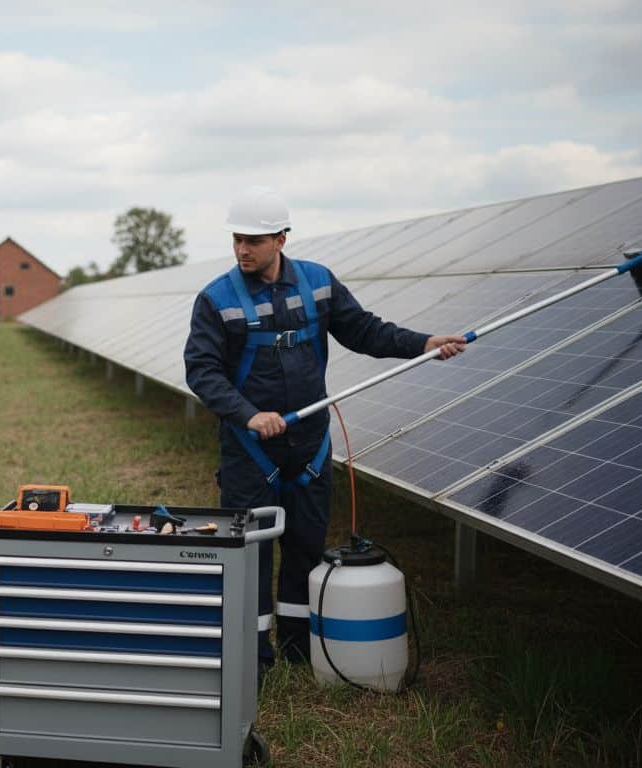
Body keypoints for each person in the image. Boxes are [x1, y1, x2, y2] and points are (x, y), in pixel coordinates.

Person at [184, 186, 465, 675]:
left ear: (281, 239)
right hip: (251, 449)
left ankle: (298, 651)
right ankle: (255, 660)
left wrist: (423, 343)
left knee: (306, 549)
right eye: (237, 239)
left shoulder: (318, 284)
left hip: (310, 446)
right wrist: (248, 414)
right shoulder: (216, 299)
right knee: (251, 556)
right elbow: (202, 371)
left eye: (253, 240)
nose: (242, 249)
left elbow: (366, 330)